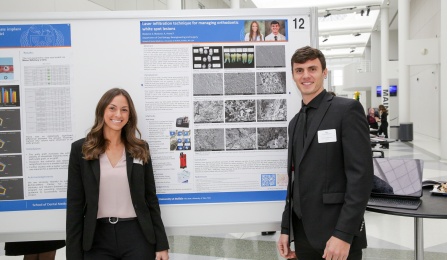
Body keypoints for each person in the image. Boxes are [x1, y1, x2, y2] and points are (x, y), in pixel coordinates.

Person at [277, 46, 373, 260]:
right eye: (299, 70)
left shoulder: (347, 110)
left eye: (312, 69)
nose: (306, 75)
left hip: (336, 235)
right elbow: (295, 181)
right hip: (302, 235)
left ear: (324, 73)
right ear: (293, 75)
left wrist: (343, 234)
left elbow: (361, 177)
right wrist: (286, 229)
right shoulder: (294, 123)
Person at [66, 88, 169, 260]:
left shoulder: (140, 148)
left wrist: (162, 244)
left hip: (137, 236)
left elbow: (150, 198)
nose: (118, 114)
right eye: (112, 108)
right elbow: (75, 205)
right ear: (102, 111)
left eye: (124, 109)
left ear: (129, 115)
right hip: (97, 238)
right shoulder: (81, 149)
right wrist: (73, 255)